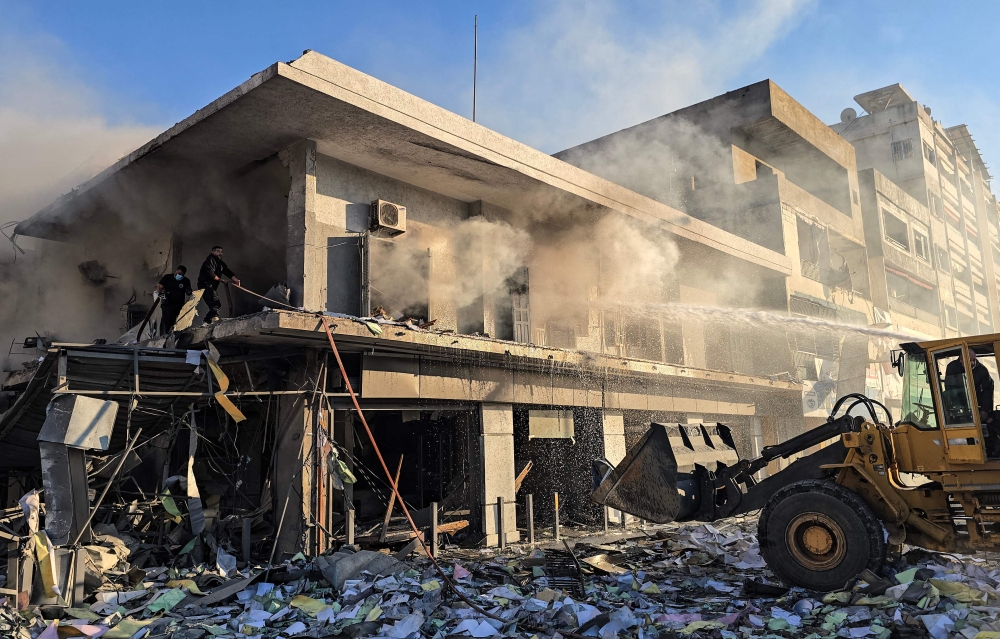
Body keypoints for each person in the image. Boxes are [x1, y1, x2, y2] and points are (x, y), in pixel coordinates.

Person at [198, 246, 240, 324]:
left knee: (215, 304)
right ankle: (214, 319)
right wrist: (222, 280)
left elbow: (227, 271)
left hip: (211, 286)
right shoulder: (210, 260)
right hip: (205, 284)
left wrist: (236, 280)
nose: (220, 253)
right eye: (218, 251)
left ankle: (206, 321)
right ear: (213, 252)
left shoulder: (220, 263)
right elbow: (210, 274)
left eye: (221, 252)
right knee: (215, 303)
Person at [156, 265, 192, 334]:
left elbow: (188, 292)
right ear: (176, 271)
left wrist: (189, 291)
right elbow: (159, 286)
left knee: (177, 322)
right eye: (179, 273)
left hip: (179, 305)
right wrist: (161, 294)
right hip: (168, 304)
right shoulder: (167, 277)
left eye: (182, 275)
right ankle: (164, 336)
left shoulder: (186, 281)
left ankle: (173, 336)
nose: (180, 276)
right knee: (166, 321)